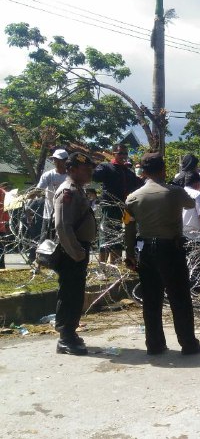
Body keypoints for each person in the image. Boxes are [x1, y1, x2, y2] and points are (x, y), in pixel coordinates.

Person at [123, 153, 200, 356]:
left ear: (143, 172)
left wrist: (129, 254)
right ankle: (188, 343)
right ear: (163, 170)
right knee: (179, 297)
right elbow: (190, 204)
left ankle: (155, 344)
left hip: (145, 250)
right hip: (170, 249)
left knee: (151, 299)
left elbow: (128, 227)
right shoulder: (175, 192)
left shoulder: (132, 197)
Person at [52, 152, 97, 355]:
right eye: (85, 169)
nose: (90, 172)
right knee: (69, 293)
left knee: (76, 292)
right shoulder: (67, 191)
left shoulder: (78, 189)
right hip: (71, 250)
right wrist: (77, 252)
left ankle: (70, 332)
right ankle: (65, 337)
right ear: (71, 170)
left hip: (78, 248)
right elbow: (62, 226)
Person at [93, 143, 143, 265]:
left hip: (124, 209)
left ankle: (115, 266)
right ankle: (102, 267)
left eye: (125, 153)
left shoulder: (128, 172)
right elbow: (94, 177)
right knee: (106, 236)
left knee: (120, 237)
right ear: (113, 154)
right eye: (120, 153)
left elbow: (140, 185)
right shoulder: (106, 167)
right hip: (110, 207)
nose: (123, 156)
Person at [36, 149, 69, 241]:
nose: (56, 162)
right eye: (55, 159)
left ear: (66, 161)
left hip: (67, 217)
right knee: (45, 242)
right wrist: (33, 194)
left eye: (59, 160)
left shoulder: (71, 176)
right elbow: (39, 190)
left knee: (64, 243)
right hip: (49, 214)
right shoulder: (48, 175)